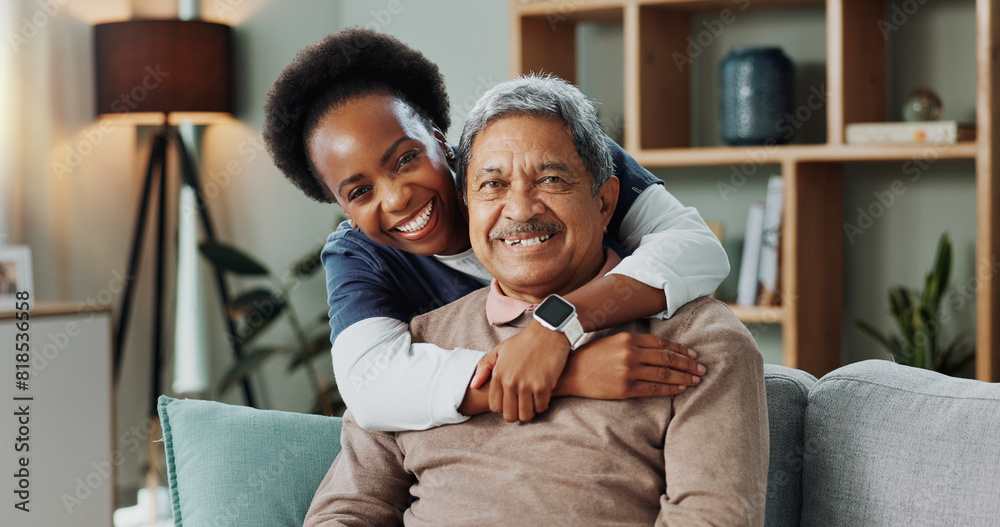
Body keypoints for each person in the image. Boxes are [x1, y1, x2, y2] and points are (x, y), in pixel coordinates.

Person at [303, 74, 768, 526]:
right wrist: (560, 370)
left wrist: (556, 325)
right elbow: (347, 510)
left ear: (606, 202)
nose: (521, 209)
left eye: (550, 179)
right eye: (493, 185)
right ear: (470, 201)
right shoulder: (410, 355)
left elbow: (712, 516)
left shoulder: (699, 341)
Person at [262, 28, 730, 430]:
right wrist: (568, 373)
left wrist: (558, 325)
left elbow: (695, 247)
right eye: (359, 192)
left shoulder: (544, 149)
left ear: (441, 140)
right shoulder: (360, 256)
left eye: (406, 159)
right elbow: (371, 385)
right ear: (343, 208)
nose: (396, 198)